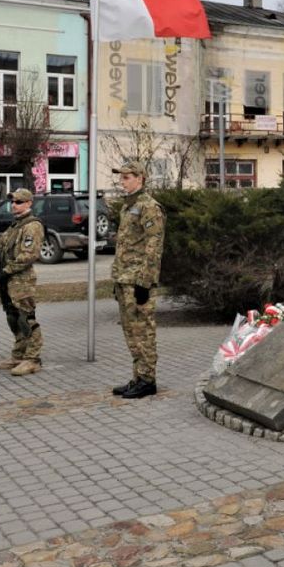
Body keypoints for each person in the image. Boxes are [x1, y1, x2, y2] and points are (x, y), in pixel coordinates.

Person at [109, 161, 166, 400]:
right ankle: (138, 376)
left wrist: (145, 282)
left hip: (138, 281)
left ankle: (148, 380)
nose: (122, 182)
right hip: (124, 278)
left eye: (126, 178)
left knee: (143, 330)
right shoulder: (127, 207)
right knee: (131, 331)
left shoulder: (149, 207)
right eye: (121, 178)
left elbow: (154, 247)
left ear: (139, 178)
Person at [0, 188, 45, 376]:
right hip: (9, 279)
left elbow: (29, 255)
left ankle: (33, 359)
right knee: (13, 317)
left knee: (26, 319)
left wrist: (6, 270)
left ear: (29, 203)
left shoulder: (32, 226)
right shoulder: (15, 225)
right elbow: (0, 246)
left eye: (19, 202)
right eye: (13, 202)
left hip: (21, 279)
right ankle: (19, 355)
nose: (14, 205)